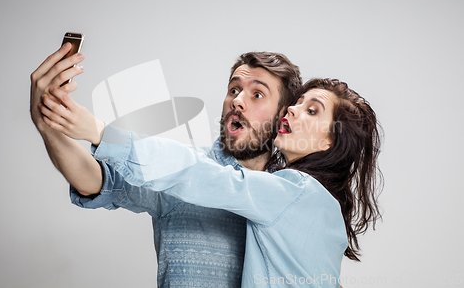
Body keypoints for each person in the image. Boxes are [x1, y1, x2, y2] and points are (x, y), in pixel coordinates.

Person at [39, 77, 383, 287]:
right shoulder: (324, 209)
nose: (292, 110)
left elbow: (202, 175)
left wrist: (100, 133)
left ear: (328, 143)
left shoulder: (293, 192)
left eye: (313, 110)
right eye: (298, 103)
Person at [30, 43, 302, 287]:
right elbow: (98, 181)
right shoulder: (176, 172)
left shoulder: (295, 195)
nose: (238, 100)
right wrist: (48, 128)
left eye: (257, 95)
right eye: (234, 89)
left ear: (283, 115)